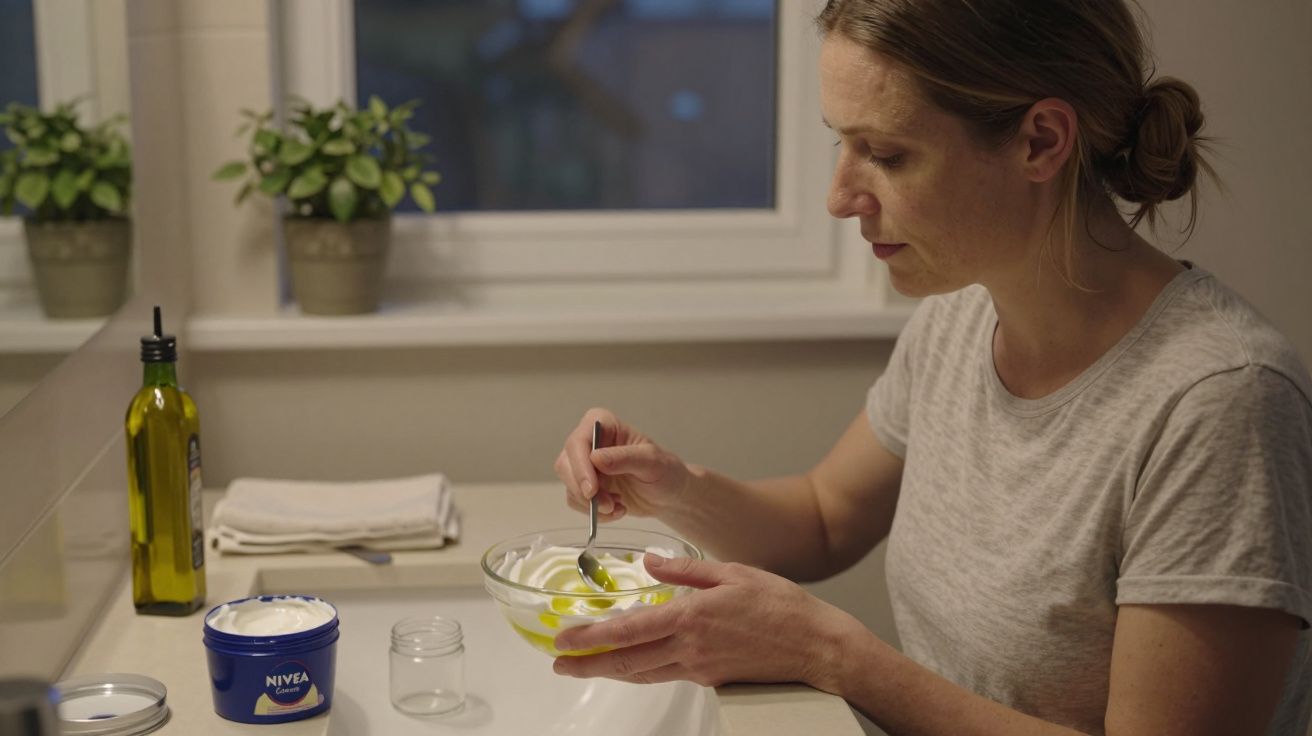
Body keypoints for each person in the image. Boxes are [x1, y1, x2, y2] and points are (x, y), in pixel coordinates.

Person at [549, 1, 1312, 733]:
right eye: (841, 144)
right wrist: (674, 488)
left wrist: (832, 654)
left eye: (886, 154)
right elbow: (823, 519)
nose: (839, 198)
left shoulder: (1221, 403)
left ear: (1042, 141)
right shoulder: (963, 316)